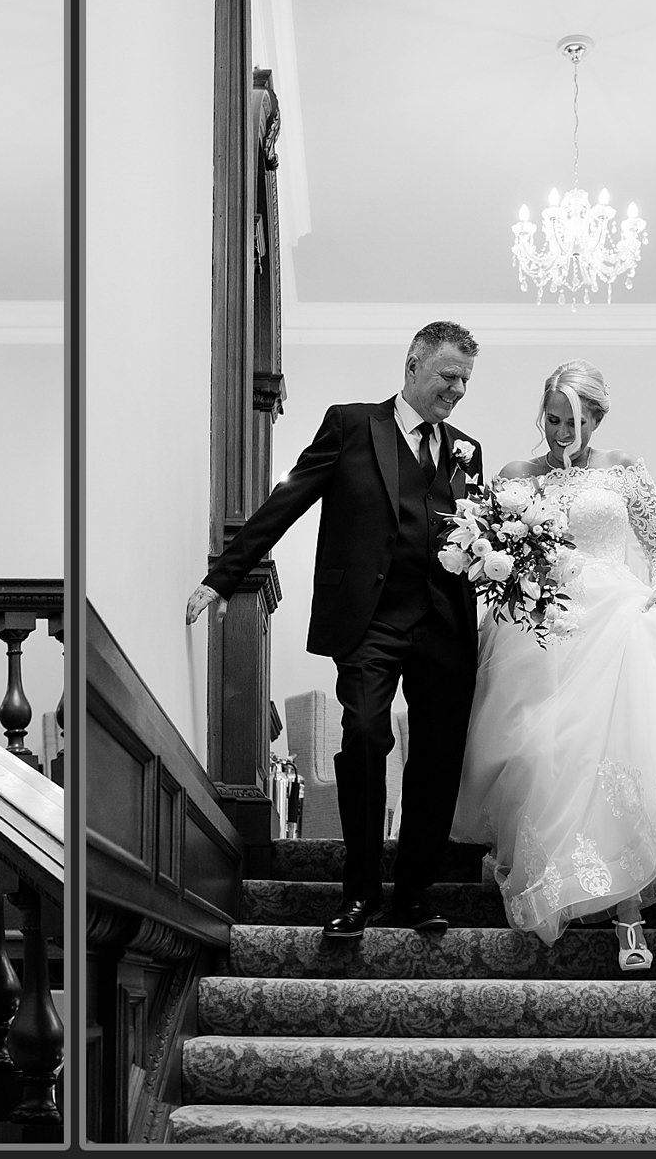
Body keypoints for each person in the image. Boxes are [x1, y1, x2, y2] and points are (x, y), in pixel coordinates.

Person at [189, 321, 486, 938]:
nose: (457, 390)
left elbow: (474, 539)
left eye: (465, 380)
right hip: (369, 621)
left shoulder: (466, 450)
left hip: (444, 625)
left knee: (437, 758)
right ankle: (359, 892)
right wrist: (224, 576)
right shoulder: (352, 425)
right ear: (412, 366)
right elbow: (289, 498)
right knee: (366, 735)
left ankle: (413, 892)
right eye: (447, 376)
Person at [450, 359, 656, 973]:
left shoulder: (625, 468)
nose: (559, 433)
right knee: (542, 755)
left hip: (619, 622)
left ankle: (628, 916)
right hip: (542, 630)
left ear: (597, 418)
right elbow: (503, 549)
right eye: (551, 419)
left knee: (617, 758)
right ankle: (545, 876)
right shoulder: (517, 476)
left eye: (572, 422)